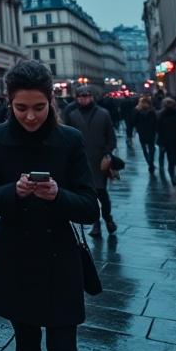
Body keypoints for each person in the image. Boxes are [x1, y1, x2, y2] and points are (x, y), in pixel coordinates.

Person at [0, 60, 99, 351]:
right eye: (21, 107)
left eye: (39, 107)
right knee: (26, 344)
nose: (30, 116)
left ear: (51, 100)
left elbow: (90, 208)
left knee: (64, 345)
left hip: (60, 257)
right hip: (16, 255)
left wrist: (58, 195)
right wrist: (13, 191)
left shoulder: (70, 139)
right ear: (9, 102)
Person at [63, 84, 117, 237]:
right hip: (81, 161)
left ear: (91, 97)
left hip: (100, 161)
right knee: (90, 195)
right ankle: (96, 224)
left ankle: (107, 218)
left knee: (102, 193)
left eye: (86, 96)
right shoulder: (72, 115)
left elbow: (111, 137)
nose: (83, 99)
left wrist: (107, 153)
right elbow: (66, 138)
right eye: (80, 97)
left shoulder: (103, 114)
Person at [157, 97, 176, 190]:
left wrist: (161, 144)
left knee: (171, 162)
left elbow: (159, 131)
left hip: (167, 142)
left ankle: (173, 177)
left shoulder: (160, 115)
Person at [134, 97, 158, 175]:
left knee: (144, 149)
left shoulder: (138, 111)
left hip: (142, 133)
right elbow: (155, 122)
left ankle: (149, 163)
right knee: (151, 148)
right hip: (151, 132)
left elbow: (133, 121)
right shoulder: (152, 111)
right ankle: (151, 161)